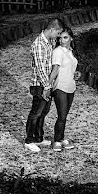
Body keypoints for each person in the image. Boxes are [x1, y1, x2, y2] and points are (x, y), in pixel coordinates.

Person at [24, 19, 63, 152]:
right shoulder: (39, 44)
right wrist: (47, 87)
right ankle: (29, 140)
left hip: (47, 84)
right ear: (52, 30)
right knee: (36, 112)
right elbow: (40, 69)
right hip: (39, 85)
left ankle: (38, 138)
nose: (58, 36)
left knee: (44, 112)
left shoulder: (49, 42)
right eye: (57, 33)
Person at [48, 22, 80, 152]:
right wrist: (47, 86)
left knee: (64, 115)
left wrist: (78, 73)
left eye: (65, 37)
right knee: (61, 115)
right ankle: (57, 140)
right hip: (60, 86)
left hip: (71, 86)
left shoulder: (72, 52)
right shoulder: (57, 52)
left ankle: (61, 138)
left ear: (71, 38)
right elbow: (55, 70)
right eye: (60, 38)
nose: (62, 40)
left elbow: (73, 69)